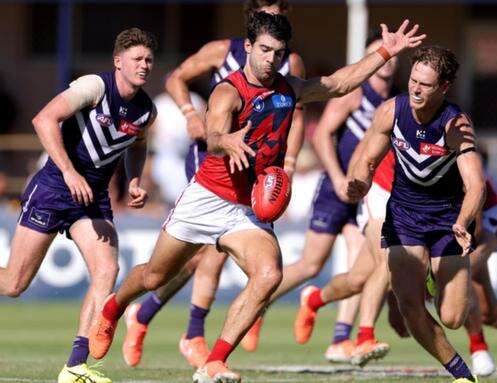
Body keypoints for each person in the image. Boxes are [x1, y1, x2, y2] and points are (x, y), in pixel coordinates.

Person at [89, 13, 425, 383]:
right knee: (154, 276)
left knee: (269, 275)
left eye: (278, 53)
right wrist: (225, 141)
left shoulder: (288, 89)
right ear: (248, 47)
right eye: (264, 50)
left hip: (247, 207)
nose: (271, 60)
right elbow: (214, 133)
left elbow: (337, 84)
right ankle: (114, 307)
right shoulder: (228, 91)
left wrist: (383, 54)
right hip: (207, 197)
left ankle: (215, 360)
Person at [122, 0, 306, 369]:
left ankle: (172, 326)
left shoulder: (290, 63)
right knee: (201, 255)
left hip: (255, 170)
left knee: (216, 258)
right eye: (270, 13)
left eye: (282, 15)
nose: (276, 20)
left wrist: (287, 162)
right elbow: (176, 78)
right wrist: (192, 115)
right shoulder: (223, 51)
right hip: (214, 157)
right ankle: (179, 329)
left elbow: (296, 113)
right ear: (252, 23)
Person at [0, 28, 157, 383]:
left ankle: (75, 365)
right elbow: (43, 119)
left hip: (94, 197)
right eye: (137, 59)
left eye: (148, 59)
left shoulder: (146, 110)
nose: (144, 65)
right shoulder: (94, 87)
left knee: (107, 270)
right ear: (118, 62)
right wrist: (70, 172)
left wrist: (134, 181)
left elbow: (136, 144)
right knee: (13, 284)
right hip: (56, 187)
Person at [254, 31, 399, 364]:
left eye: (390, 55)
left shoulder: (396, 101)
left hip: (367, 194)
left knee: (358, 264)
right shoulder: (356, 94)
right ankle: (258, 304)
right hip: (337, 189)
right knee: (310, 264)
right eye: (378, 54)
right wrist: (336, 177)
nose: (387, 61)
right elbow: (320, 135)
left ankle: (340, 339)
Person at [344, 45, 484, 383]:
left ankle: (437, 277)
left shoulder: (456, 125)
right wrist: (360, 183)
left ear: (444, 87)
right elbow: (368, 159)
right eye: (413, 81)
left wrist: (463, 223)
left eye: (425, 84)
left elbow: (476, 185)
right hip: (404, 216)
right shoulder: (391, 111)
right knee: (409, 306)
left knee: (451, 317)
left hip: (447, 221)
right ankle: (462, 374)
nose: (415, 89)